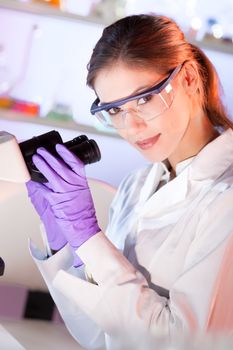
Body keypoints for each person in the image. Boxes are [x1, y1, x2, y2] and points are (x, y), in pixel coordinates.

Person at [26, 14, 233, 350]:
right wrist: (69, 245)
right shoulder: (135, 186)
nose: (131, 127)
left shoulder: (227, 197)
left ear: (190, 77)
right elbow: (98, 336)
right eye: (114, 110)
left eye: (144, 99)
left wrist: (90, 237)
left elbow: (186, 343)